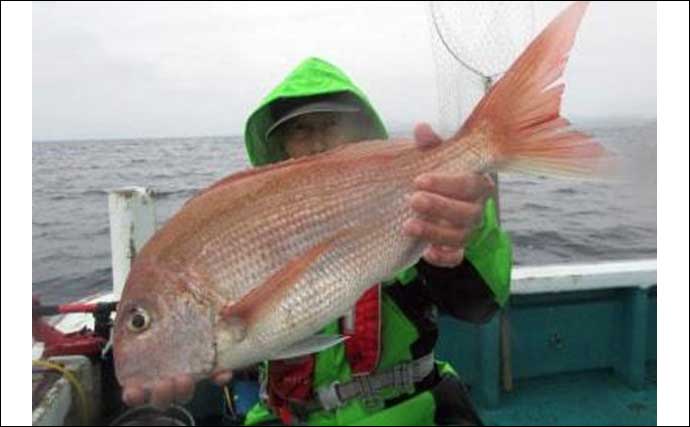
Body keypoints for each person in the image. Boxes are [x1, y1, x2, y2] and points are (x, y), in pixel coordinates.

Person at [124, 57, 512, 425]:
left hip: (407, 410)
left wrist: (468, 237)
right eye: (300, 129)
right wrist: (194, 357)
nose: (316, 143)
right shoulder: (247, 221)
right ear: (278, 146)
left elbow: (479, 306)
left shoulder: (424, 201)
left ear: (363, 135)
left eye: (329, 124)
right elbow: (255, 342)